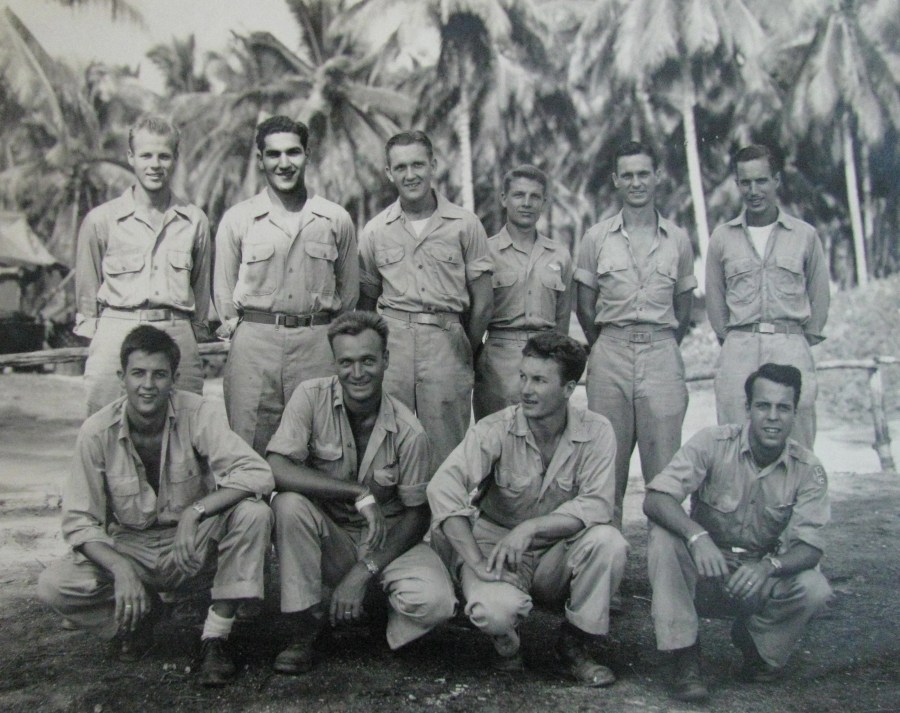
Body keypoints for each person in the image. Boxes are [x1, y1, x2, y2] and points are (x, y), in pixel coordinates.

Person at [37, 325, 274, 688]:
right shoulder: (96, 431)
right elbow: (79, 522)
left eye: (159, 374)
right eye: (138, 373)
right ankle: (140, 616)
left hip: (192, 544)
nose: (148, 385)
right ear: (121, 378)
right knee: (56, 584)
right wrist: (121, 569)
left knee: (255, 513)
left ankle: (215, 637)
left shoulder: (198, 413)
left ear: (174, 379)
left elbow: (256, 472)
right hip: (133, 546)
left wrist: (196, 513)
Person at [427, 332, 627, 685]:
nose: (526, 390)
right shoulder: (496, 428)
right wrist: (474, 561)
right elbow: (443, 487)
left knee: (608, 542)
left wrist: (532, 528)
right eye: (523, 377)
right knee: (493, 612)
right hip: (496, 547)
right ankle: (507, 646)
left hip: (554, 552)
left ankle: (575, 645)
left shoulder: (597, 431)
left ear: (568, 388)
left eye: (539, 380)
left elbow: (597, 504)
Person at [266, 311, 456, 674]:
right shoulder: (310, 396)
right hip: (331, 538)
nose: (358, 373)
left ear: (386, 359)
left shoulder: (409, 431)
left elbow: (418, 516)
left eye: (368, 360)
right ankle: (304, 629)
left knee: (437, 604)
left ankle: (374, 611)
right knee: (288, 505)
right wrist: (356, 491)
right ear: (334, 363)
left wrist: (364, 571)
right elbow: (276, 467)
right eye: (347, 362)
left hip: (386, 545)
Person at [643, 363, 831, 703]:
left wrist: (767, 567)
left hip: (754, 578)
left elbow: (811, 548)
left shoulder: (808, 469)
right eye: (763, 406)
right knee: (665, 537)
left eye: (783, 408)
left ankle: (756, 642)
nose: (772, 417)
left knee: (813, 586)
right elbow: (656, 498)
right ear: (748, 408)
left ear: (794, 412)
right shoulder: (712, 443)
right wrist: (697, 537)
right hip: (704, 571)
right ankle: (683, 655)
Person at [213, 115, 359, 454]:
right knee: (249, 445)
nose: (284, 163)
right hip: (254, 347)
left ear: (307, 155)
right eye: (273, 154)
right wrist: (243, 334)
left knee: (322, 444)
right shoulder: (239, 219)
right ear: (260, 159)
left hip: (317, 345)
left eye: (293, 153)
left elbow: (349, 295)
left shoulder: (335, 219)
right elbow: (223, 293)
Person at [575, 141, 696, 529]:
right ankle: (605, 568)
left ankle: (668, 579)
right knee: (605, 469)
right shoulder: (596, 238)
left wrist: (656, 342)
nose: (636, 182)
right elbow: (585, 305)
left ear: (657, 177)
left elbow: (684, 306)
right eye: (627, 175)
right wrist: (610, 344)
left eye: (643, 173)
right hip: (610, 352)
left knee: (665, 473)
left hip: (661, 353)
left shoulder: (678, 239)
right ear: (615, 181)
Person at [358, 130, 492, 474]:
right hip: (395, 348)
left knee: (447, 449)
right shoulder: (376, 230)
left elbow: (483, 302)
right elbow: (366, 302)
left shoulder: (464, 224)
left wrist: (464, 346)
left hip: (446, 343)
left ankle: (445, 525)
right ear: (389, 173)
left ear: (433, 165)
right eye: (400, 167)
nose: (410, 174)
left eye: (418, 164)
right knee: (390, 444)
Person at [74, 115, 210, 415]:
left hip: (176, 329)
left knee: (185, 425)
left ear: (175, 159)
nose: (155, 164)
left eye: (164, 156)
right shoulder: (101, 220)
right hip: (117, 329)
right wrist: (101, 334)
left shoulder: (194, 220)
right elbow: (87, 294)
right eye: (146, 155)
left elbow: (201, 290)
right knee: (106, 425)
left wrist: (192, 332)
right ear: (131, 158)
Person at [706, 145, 830, 449]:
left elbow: (819, 295)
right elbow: (715, 298)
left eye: (761, 181)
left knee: (796, 437)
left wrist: (799, 340)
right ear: (737, 185)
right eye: (745, 182)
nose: (753, 190)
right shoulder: (722, 238)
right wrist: (733, 339)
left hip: (790, 345)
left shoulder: (804, 235)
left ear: (776, 180)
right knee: (735, 439)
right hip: (739, 348)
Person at [473, 165, 573, 421]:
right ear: (504, 198)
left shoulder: (559, 255)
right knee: (496, 441)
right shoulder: (485, 251)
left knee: (542, 442)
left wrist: (556, 362)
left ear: (544, 202)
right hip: (499, 359)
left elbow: (562, 318)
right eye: (519, 195)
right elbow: (474, 311)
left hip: (545, 356)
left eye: (535, 196)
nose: (527, 203)